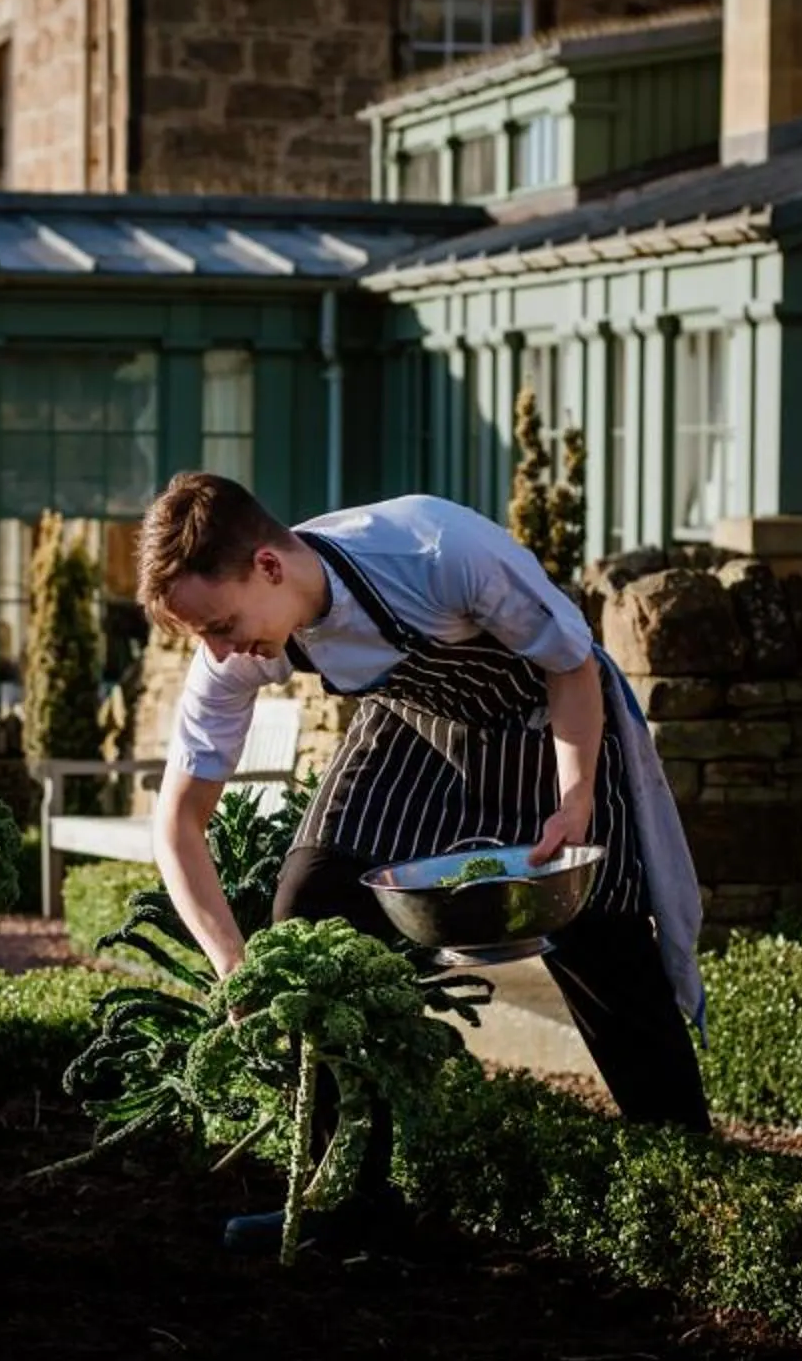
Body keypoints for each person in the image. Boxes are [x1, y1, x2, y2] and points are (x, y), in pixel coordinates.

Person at [136, 473, 710, 1245]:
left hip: (551, 720)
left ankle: (693, 1185)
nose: (222, 650)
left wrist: (574, 806)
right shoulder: (243, 648)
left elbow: (572, 666)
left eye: (224, 624)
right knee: (311, 909)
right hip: (419, 726)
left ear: (268, 565)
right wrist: (236, 967)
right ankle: (352, 1198)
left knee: (596, 929)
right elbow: (177, 822)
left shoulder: (438, 551)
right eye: (206, 636)